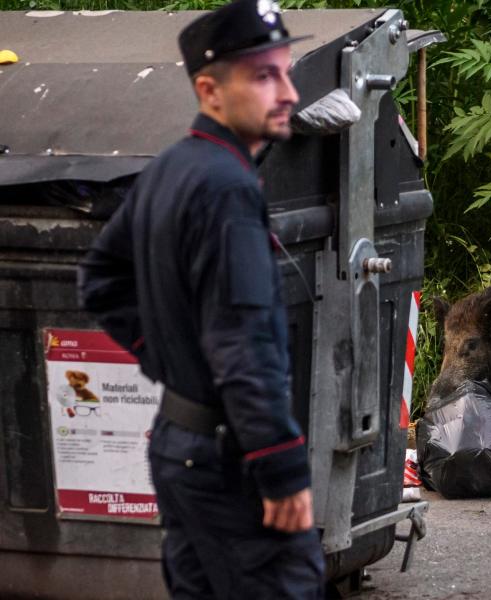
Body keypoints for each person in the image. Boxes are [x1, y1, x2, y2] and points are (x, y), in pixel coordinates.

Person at [78, 1, 324, 597]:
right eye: (264, 76)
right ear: (210, 91)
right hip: (227, 462)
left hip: (179, 446)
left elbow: (101, 279)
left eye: (287, 72)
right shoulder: (225, 187)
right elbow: (244, 344)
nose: (288, 91)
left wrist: (172, 360)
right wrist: (282, 466)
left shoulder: (173, 166)